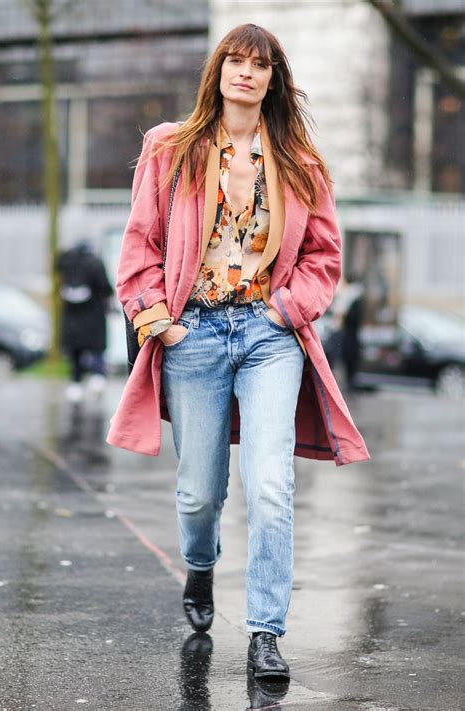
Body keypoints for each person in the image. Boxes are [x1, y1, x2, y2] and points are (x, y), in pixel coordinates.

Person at [107, 24, 370, 678]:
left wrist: (288, 309)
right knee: (199, 494)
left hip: (268, 336)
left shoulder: (302, 163)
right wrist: (159, 321)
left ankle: (265, 632)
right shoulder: (171, 149)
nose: (246, 73)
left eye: (260, 64)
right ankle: (200, 569)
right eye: (235, 60)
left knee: (272, 485)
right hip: (193, 333)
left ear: (273, 78)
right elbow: (140, 247)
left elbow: (323, 257)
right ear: (218, 71)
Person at [57, 240, 113, 402]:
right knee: (96, 347)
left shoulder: (66, 262)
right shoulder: (95, 263)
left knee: (75, 351)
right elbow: (105, 287)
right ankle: (98, 377)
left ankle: (75, 383)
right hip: (93, 314)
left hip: (71, 316)